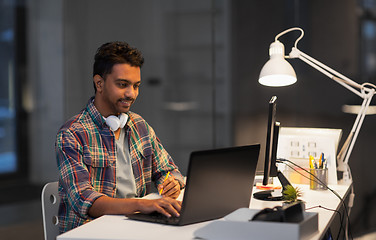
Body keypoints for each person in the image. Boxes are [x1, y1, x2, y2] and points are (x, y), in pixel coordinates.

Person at [55, 41, 185, 233]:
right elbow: (86, 200)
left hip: (135, 226)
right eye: (123, 84)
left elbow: (169, 171)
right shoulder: (72, 134)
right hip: (92, 232)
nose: (131, 94)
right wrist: (142, 205)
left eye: (136, 86)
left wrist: (170, 182)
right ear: (99, 83)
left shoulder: (139, 125)